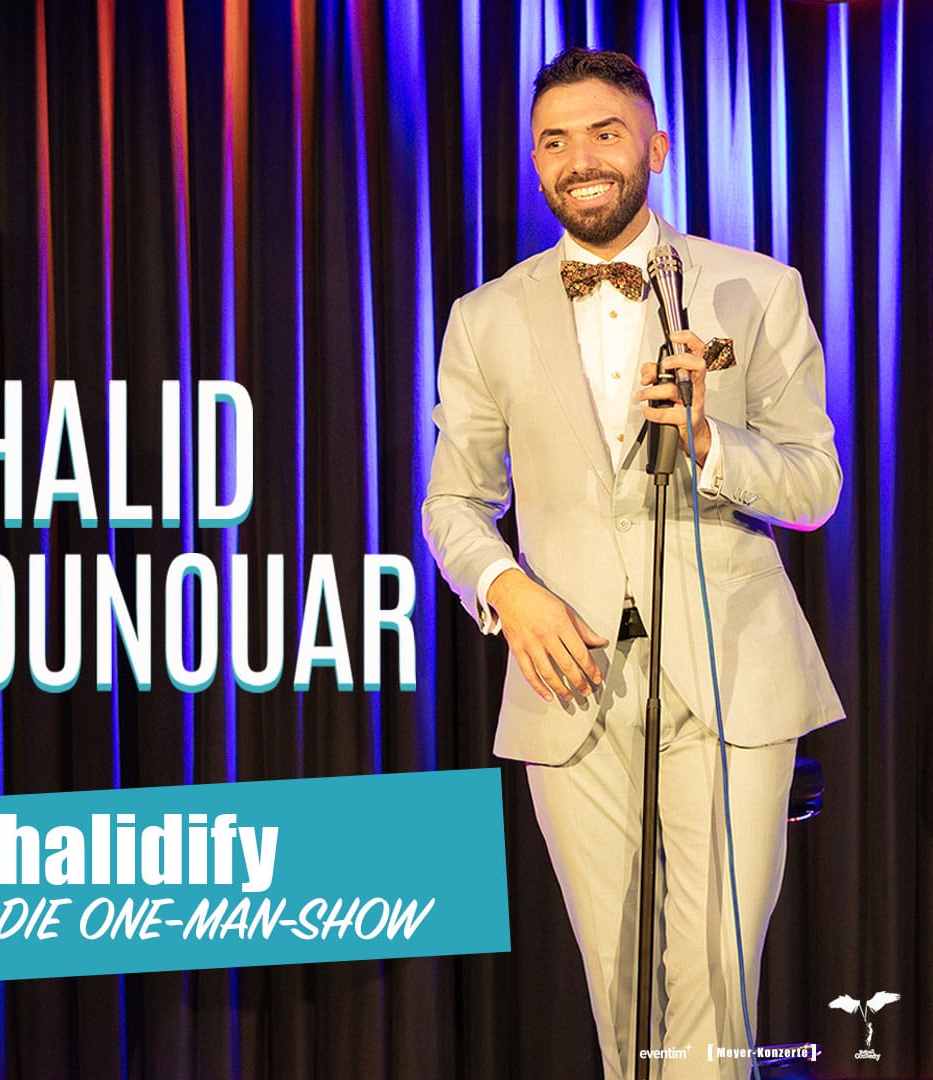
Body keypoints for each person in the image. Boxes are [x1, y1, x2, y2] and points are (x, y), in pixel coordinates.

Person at [422, 47, 843, 1079]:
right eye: (554, 142)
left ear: (654, 147)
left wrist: (709, 443)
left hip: (733, 673)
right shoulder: (485, 315)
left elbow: (814, 486)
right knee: (619, 987)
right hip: (569, 680)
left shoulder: (755, 288)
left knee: (714, 976)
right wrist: (506, 588)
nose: (579, 160)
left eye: (604, 133)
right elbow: (454, 502)